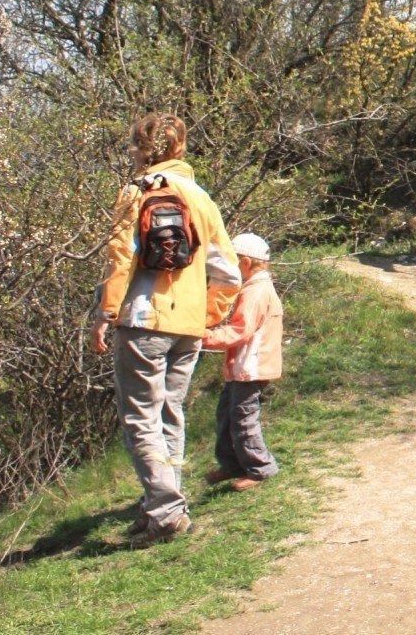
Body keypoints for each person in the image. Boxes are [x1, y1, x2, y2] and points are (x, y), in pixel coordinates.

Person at [91, 113, 242, 545]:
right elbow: (229, 271)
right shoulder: (201, 197)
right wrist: (207, 316)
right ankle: (163, 505)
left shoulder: (136, 191)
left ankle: (165, 512)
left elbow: (121, 260)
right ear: (179, 148)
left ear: (142, 148)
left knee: (141, 417)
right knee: (170, 413)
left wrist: (105, 313)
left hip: (142, 320)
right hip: (187, 327)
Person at [202, 233, 283, 491]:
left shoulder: (256, 292)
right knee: (226, 414)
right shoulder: (256, 287)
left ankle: (261, 468)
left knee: (243, 418)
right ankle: (233, 464)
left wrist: (206, 336)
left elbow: (240, 330)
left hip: (252, 367)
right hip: (243, 367)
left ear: (246, 262)